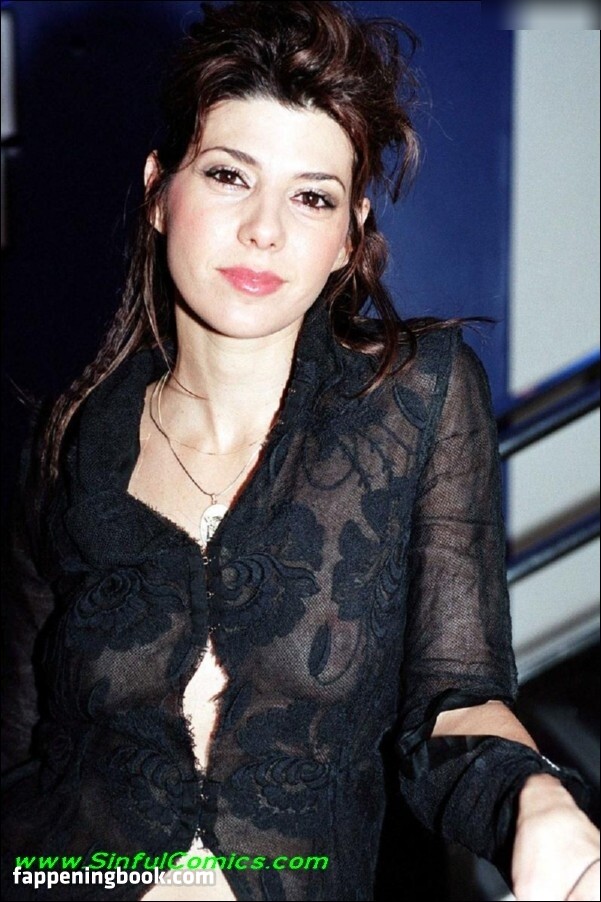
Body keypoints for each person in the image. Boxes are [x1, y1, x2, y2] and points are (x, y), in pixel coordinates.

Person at [1, 2, 599, 900]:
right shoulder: (69, 439)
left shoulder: (416, 401)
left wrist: (535, 800)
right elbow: (18, 743)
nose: (264, 229)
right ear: (160, 190)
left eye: (310, 196)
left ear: (349, 233)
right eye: (228, 176)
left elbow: (454, 698)